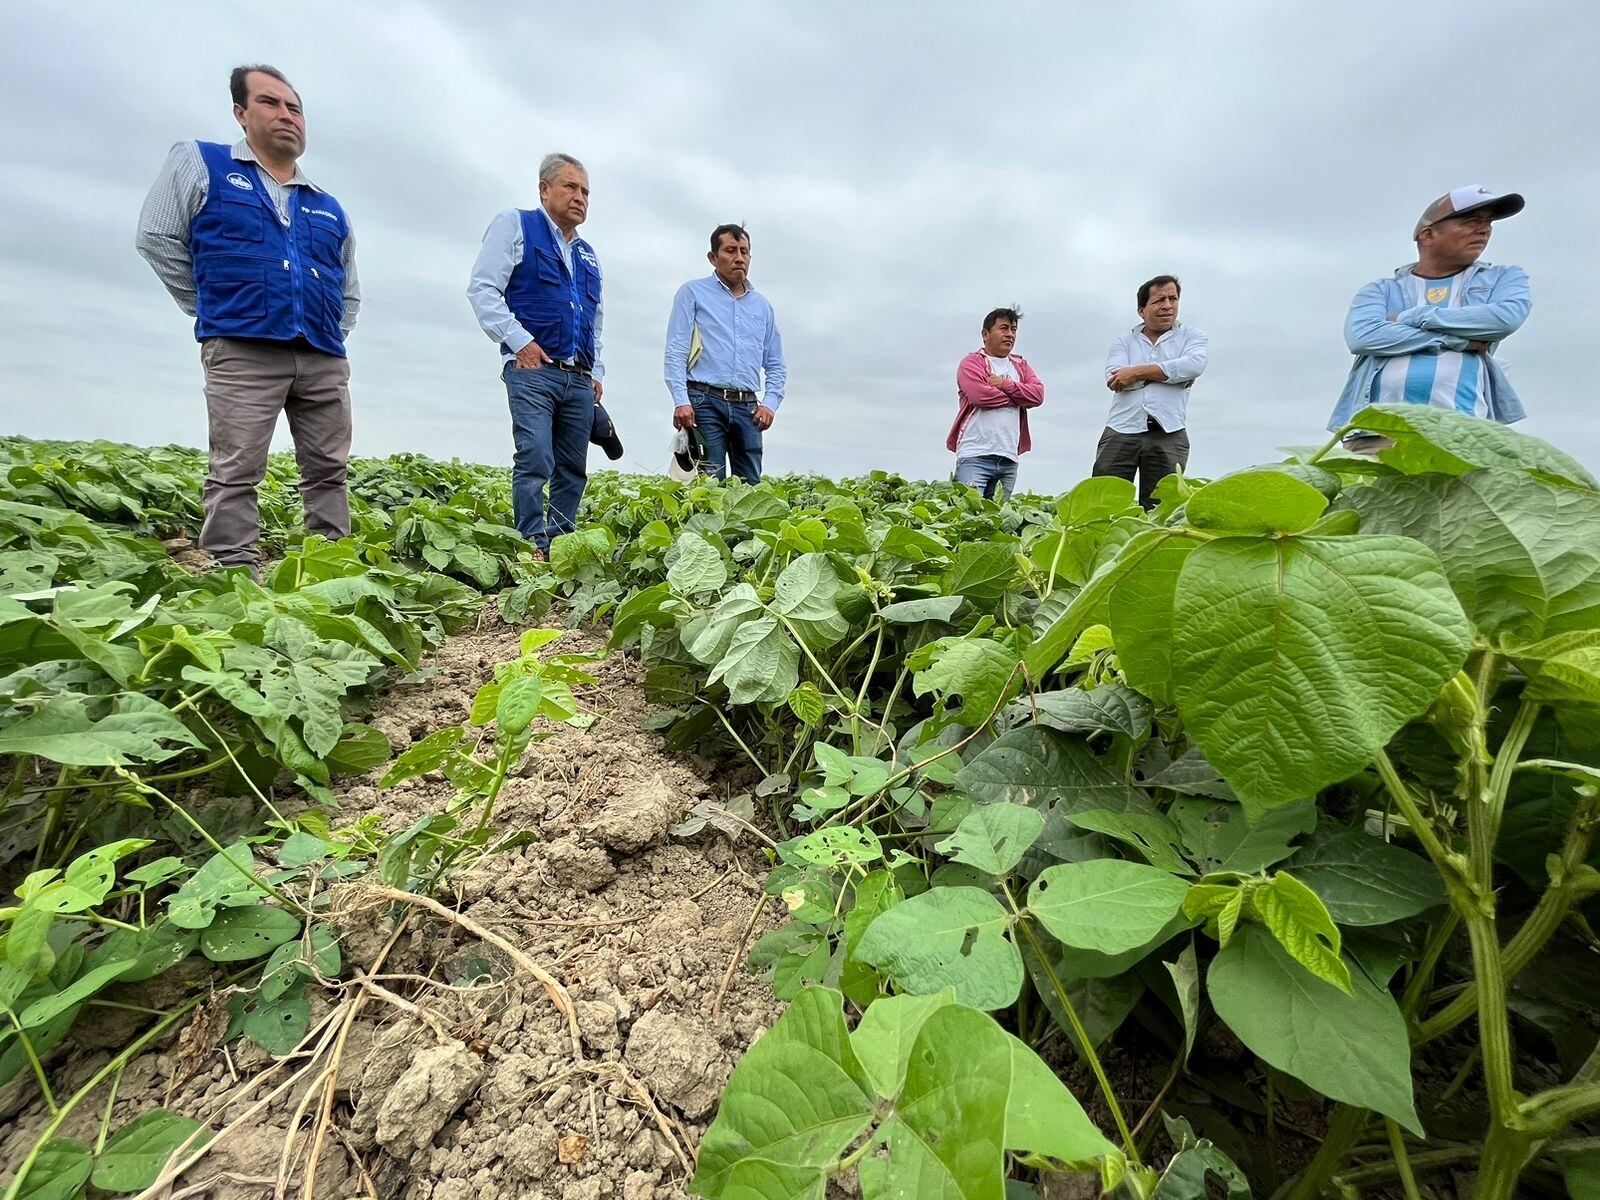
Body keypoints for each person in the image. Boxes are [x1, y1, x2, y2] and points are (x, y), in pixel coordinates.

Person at [136, 65, 359, 574]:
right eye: (270, 103)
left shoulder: (327, 205)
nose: (286, 115)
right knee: (237, 466)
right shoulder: (201, 163)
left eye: (294, 107)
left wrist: (330, 332)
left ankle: (331, 563)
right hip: (242, 348)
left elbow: (349, 288)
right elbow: (157, 238)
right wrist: (214, 306)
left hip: (322, 354)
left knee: (329, 468)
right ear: (241, 113)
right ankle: (235, 571)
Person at [468, 153, 604, 559]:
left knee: (572, 467)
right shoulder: (516, 225)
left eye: (585, 191)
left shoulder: (588, 254)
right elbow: (483, 290)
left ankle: (560, 543)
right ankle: (531, 542)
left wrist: (596, 370)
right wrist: (519, 342)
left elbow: (595, 318)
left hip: (578, 375)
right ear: (544, 189)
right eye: (569, 187)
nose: (579, 197)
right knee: (534, 456)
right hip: (533, 370)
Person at [1328, 186, 1530, 447]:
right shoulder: (1380, 290)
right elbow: (1363, 337)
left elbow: (1504, 319)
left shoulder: (1503, 278)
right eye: (1471, 222)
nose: (1483, 229)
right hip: (1378, 433)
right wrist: (1458, 341)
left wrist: (1411, 316)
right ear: (1428, 234)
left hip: (1463, 433)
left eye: (1488, 222)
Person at [663, 224, 787, 484]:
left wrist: (770, 404)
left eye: (744, 251)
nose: (739, 257)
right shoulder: (693, 293)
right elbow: (676, 350)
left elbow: (775, 363)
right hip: (704, 401)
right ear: (713, 257)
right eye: (730, 250)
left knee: (750, 487)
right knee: (710, 485)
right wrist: (681, 400)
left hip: (748, 407)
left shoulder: (762, 306)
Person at [1094, 276, 1207, 510]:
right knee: (1103, 503)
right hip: (1121, 429)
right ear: (1142, 310)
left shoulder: (1193, 337)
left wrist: (1135, 372)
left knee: (1161, 508)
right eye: (1159, 300)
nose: (1168, 305)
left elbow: (1194, 366)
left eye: (1173, 299)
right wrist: (1172, 376)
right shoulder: (1123, 342)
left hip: (1169, 431)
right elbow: (1115, 379)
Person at [945, 307, 1045, 500]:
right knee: (966, 519)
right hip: (975, 455)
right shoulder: (972, 363)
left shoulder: (1021, 365)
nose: (1009, 334)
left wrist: (1004, 384)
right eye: (1003, 328)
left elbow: (1038, 395)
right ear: (985, 334)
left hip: (1008, 457)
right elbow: (980, 396)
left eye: (1013, 330)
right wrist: (1018, 396)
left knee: (997, 521)